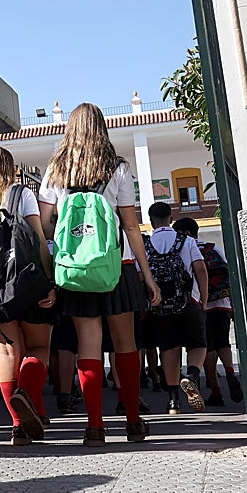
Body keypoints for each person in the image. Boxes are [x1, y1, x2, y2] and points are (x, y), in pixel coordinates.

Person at [37, 103, 162, 448]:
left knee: (86, 346)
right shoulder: (118, 168)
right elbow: (131, 226)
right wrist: (147, 275)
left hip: (76, 270)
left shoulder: (55, 171)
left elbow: (45, 226)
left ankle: (94, 427)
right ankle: (134, 423)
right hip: (117, 267)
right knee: (126, 344)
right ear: (101, 128)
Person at [0, 146, 56, 446]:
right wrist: (49, 281)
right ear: (9, 167)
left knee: (5, 353)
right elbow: (39, 240)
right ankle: (25, 393)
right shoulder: (21, 194)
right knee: (39, 346)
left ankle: (17, 428)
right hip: (25, 280)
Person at [141, 203, 209, 415]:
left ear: (151, 220)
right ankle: (192, 375)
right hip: (189, 301)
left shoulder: (145, 244)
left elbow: (139, 276)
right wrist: (203, 299)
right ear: (170, 218)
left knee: (168, 348)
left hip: (158, 305)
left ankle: (173, 402)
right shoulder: (187, 241)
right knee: (197, 344)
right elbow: (200, 268)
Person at [173, 217, 243, 407]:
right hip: (221, 302)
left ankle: (216, 392)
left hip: (197, 304)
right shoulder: (213, 247)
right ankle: (229, 371)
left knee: (206, 348)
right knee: (223, 342)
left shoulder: (182, 248)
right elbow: (228, 271)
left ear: (185, 233)